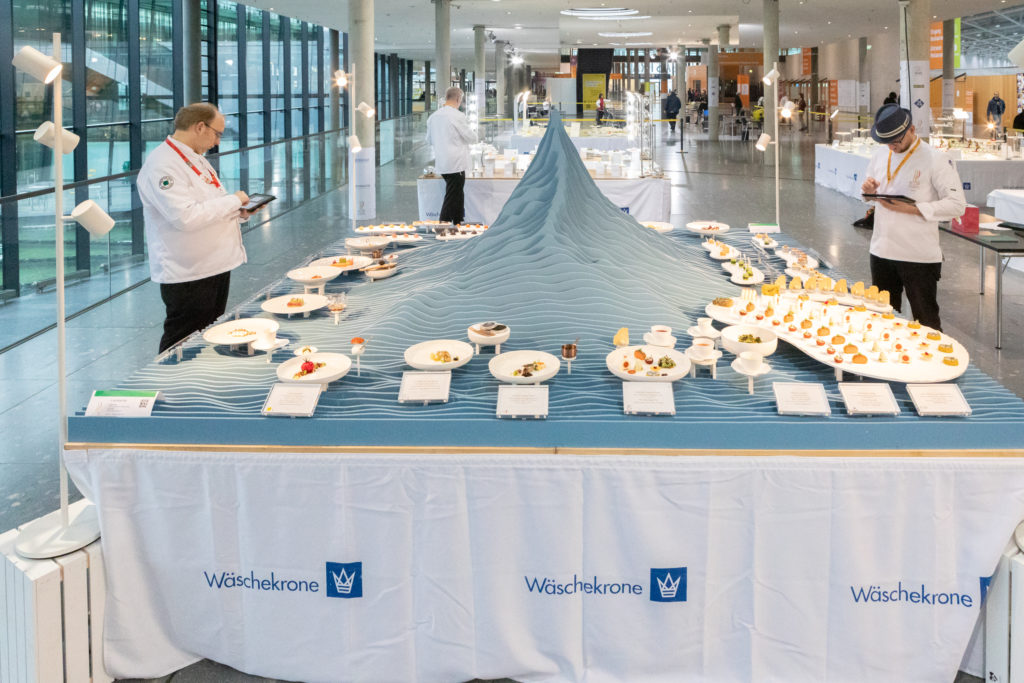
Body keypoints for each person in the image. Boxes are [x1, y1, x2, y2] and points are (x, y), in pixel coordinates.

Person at [138, 103, 261, 353]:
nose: (217, 141)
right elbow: (185, 217)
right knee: (182, 340)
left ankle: (198, 386)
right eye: (217, 133)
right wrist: (234, 200)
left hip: (214, 265)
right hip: (189, 273)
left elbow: (210, 206)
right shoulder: (162, 165)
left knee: (209, 334)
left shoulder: (195, 158)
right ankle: (170, 386)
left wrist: (238, 213)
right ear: (200, 127)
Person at [859, 104, 966, 331]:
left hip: (918, 256)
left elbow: (957, 205)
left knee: (925, 322)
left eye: (896, 141)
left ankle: (935, 365)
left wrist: (916, 209)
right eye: (887, 142)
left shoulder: (936, 159)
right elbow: (866, 193)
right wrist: (867, 191)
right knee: (882, 319)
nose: (892, 147)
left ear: (912, 130)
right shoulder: (881, 154)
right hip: (881, 250)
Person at [425, 86, 478, 226]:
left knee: (457, 194)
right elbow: (471, 137)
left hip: (442, 163)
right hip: (456, 163)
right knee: (452, 196)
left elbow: (428, 140)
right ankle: (443, 225)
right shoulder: (457, 116)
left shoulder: (433, 117)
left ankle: (458, 223)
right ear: (458, 99)